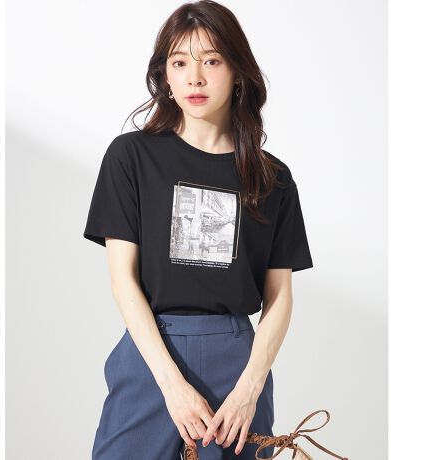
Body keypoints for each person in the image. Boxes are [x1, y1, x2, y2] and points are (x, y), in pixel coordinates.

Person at [83, 1, 313, 459]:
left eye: (211, 61)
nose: (195, 78)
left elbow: (280, 297)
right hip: (152, 357)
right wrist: (171, 385)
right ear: (165, 76)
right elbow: (123, 280)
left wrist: (250, 388)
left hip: (238, 369)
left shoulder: (273, 178)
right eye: (179, 63)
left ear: (238, 72)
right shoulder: (131, 157)